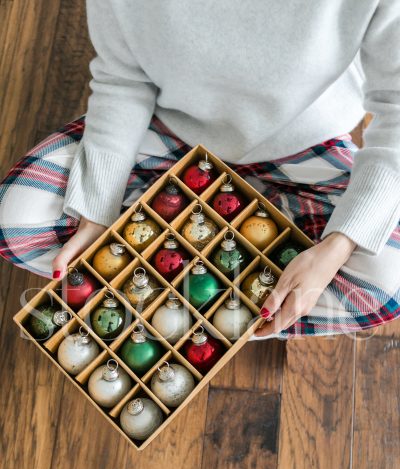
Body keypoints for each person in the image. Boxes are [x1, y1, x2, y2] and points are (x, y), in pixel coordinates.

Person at [1, 0, 400, 340]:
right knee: (18, 220)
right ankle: (207, 313)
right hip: (173, 130)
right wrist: (95, 209)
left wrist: (337, 247)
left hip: (306, 144)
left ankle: (231, 315)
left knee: (388, 277)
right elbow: (123, 79)